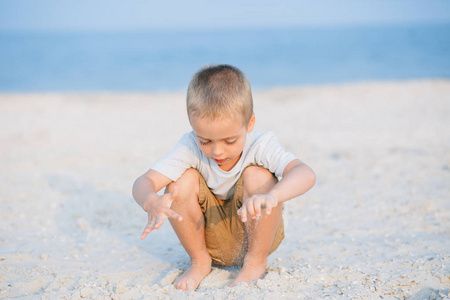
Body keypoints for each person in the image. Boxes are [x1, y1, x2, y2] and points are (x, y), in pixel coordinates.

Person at [132, 64, 316, 291]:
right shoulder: (189, 147)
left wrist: (273, 196)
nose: (217, 152)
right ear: (192, 126)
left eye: (229, 141)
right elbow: (144, 182)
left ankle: (255, 263)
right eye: (205, 141)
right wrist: (150, 200)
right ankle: (200, 262)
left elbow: (305, 173)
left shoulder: (260, 144)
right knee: (179, 182)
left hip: (256, 235)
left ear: (250, 124)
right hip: (209, 242)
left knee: (257, 174)